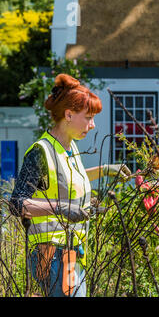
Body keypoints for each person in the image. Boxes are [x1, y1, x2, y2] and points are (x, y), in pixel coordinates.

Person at [9, 73, 131, 297]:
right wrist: (61, 208)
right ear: (68, 114)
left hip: (71, 252)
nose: (93, 125)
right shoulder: (41, 151)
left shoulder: (69, 148)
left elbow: (65, 181)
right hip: (51, 253)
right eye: (88, 117)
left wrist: (104, 170)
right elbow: (17, 203)